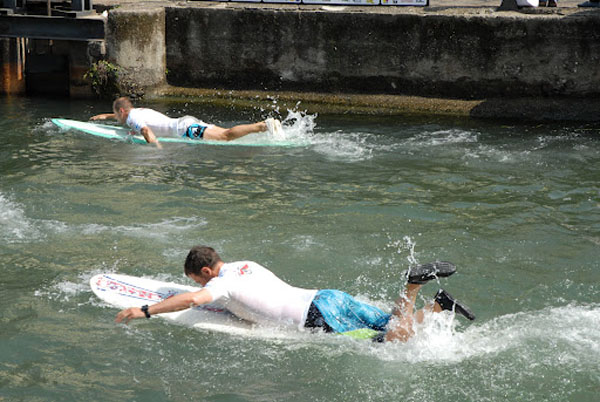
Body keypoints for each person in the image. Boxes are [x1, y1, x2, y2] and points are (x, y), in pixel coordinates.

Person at [116, 246, 475, 342]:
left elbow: (194, 301)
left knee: (392, 340)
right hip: (327, 297)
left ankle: (413, 285)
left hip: (317, 317)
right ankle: (439, 305)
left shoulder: (219, 284)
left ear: (206, 272)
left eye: (198, 280)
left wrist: (145, 311)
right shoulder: (246, 266)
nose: (199, 286)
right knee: (392, 323)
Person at [90, 97, 283, 148]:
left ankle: (263, 126)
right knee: (226, 132)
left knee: (225, 136)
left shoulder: (132, 118)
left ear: (122, 111)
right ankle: (264, 128)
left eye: (116, 114)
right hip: (186, 123)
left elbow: (146, 131)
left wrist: (156, 148)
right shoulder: (136, 111)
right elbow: (125, 116)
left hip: (184, 129)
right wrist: (104, 117)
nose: (117, 118)